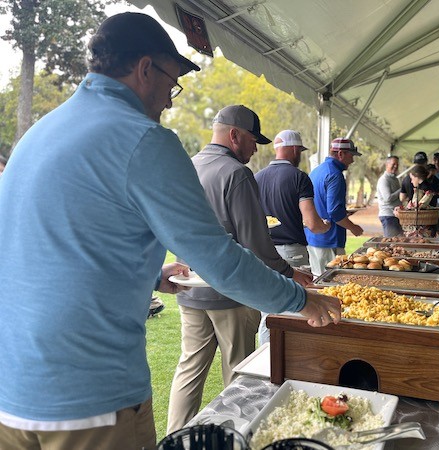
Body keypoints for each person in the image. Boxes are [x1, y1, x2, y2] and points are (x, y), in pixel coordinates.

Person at [0, 13, 341, 450]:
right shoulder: (144, 139)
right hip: (86, 396)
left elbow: (49, 244)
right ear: (145, 69)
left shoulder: (39, 131)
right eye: (171, 82)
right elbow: (218, 259)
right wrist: (301, 299)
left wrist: (148, 275)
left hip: (12, 388)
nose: (170, 101)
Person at [167, 108, 315, 433]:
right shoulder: (236, 173)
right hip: (231, 292)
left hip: (189, 286)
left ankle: (174, 437)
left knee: (189, 371)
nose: (255, 148)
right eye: (252, 140)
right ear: (234, 135)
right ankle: (238, 435)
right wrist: (291, 274)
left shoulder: (187, 166)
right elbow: (256, 244)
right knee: (239, 373)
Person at [255, 129, 330, 344]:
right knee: (296, 309)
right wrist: (325, 226)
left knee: (268, 313)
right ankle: (290, 362)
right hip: (292, 253)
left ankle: (267, 361)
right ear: (295, 149)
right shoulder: (299, 177)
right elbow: (312, 223)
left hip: (264, 251)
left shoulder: (257, 177)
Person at [305, 138, 364, 276]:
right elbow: (335, 212)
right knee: (331, 284)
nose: (352, 160)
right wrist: (353, 227)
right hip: (329, 240)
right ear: (341, 154)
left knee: (318, 279)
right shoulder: (335, 175)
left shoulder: (316, 171)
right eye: (351, 155)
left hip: (312, 237)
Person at [376, 155, 402, 237]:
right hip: (388, 216)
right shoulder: (384, 180)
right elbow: (388, 198)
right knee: (391, 243)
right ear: (387, 165)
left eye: (397, 164)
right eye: (393, 164)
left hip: (396, 215)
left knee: (398, 242)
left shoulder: (395, 179)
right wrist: (402, 189)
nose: (395, 166)